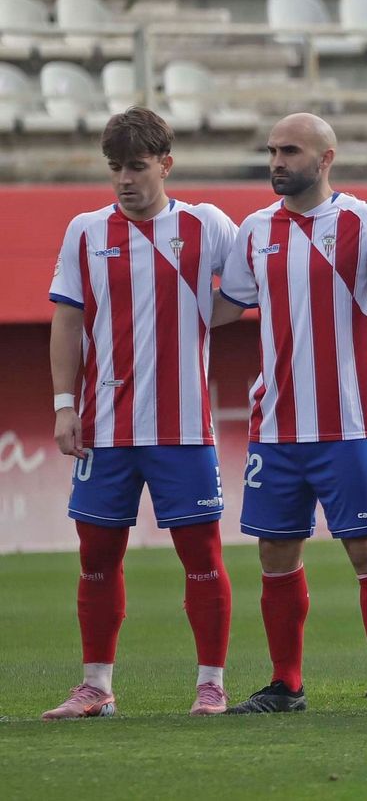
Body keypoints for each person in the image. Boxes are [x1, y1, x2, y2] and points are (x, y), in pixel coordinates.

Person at [42, 108, 236, 718]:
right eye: (115, 167)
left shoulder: (209, 226)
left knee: (202, 557)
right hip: (105, 426)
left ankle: (211, 683)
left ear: (165, 165)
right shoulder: (84, 230)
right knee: (96, 558)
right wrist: (64, 405)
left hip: (183, 427)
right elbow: (68, 321)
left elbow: (258, 286)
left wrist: (201, 318)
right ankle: (96, 686)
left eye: (136, 166)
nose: (124, 179)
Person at [210, 113, 367, 713]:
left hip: (346, 422)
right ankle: (286, 684)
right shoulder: (254, 230)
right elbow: (223, 308)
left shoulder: (366, 223)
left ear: (325, 158)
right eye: (271, 150)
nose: (276, 161)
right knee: (275, 555)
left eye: (289, 151)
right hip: (275, 427)